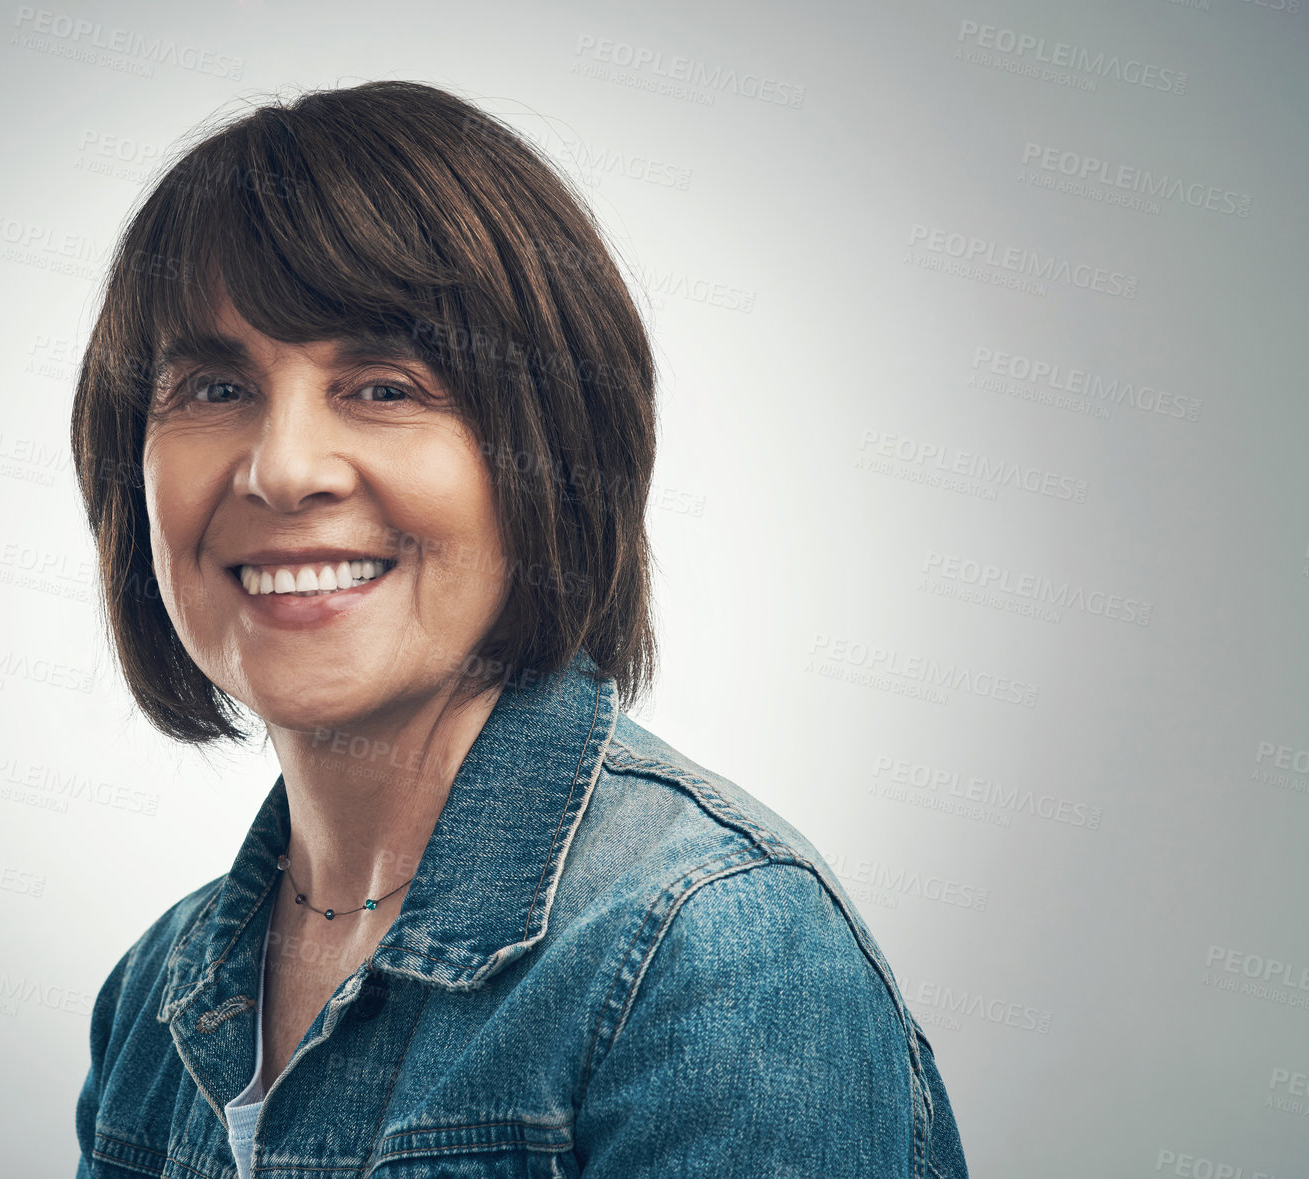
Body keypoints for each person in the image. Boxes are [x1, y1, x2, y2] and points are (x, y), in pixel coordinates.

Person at [68, 78, 969, 1178]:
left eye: (387, 387)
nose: (284, 469)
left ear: (549, 451)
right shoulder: (155, 996)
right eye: (213, 390)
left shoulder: (711, 952)